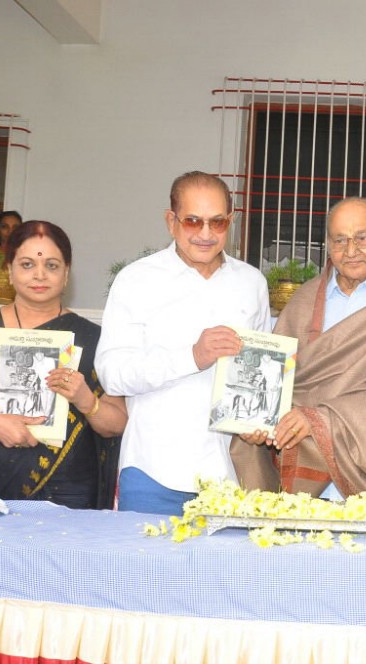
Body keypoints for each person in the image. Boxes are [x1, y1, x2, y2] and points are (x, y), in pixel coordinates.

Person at [234, 198, 366, 509]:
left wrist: (318, 419)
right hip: (302, 489)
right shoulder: (302, 302)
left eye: (362, 238)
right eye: (340, 240)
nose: (351, 250)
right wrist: (256, 422)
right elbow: (276, 384)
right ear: (328, 245)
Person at [96, 171, 270, 516]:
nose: (205, 234)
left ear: (230, 221)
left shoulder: (252, 283)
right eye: (193, 222)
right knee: (146, 571)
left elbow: (261, 368)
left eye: (217, 223)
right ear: (170, 221)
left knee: (223, 572)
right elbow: (112, 374)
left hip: (228, 475)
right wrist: (192, 356)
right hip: (152, 472)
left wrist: (260, 421)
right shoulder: (137, 280)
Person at [0, 220, 127, 509]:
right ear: (9, 270)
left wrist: (86, 400)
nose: (39, 274)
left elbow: (117, 423)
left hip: (68, 498)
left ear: (66, 274)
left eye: (52, 266)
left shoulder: (91, 338)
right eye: (27, 264)